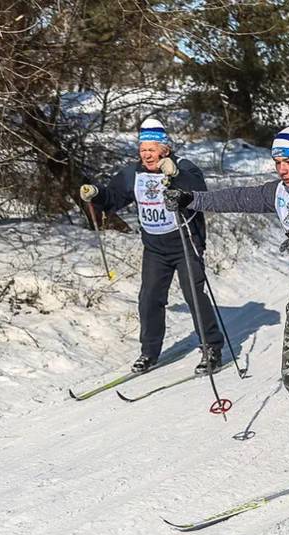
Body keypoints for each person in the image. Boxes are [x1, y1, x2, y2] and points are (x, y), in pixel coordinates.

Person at [162, 126, 289, 503]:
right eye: (277, 161)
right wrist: (191, 198)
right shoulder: (280, 192)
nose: (282, 168)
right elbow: (238, 196)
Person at [79, 118, 226, 375]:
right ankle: (149, 352)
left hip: (184, 243)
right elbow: (114, 198)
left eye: (152, 149)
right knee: (149, 298)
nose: (147, 154)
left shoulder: (183, 167)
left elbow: (199, 190)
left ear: (165, 150)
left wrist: (176, 176)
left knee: (193, 294)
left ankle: (212, 347)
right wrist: (96, 194)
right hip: (155, 248)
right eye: (143, 149)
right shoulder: (133, 173)